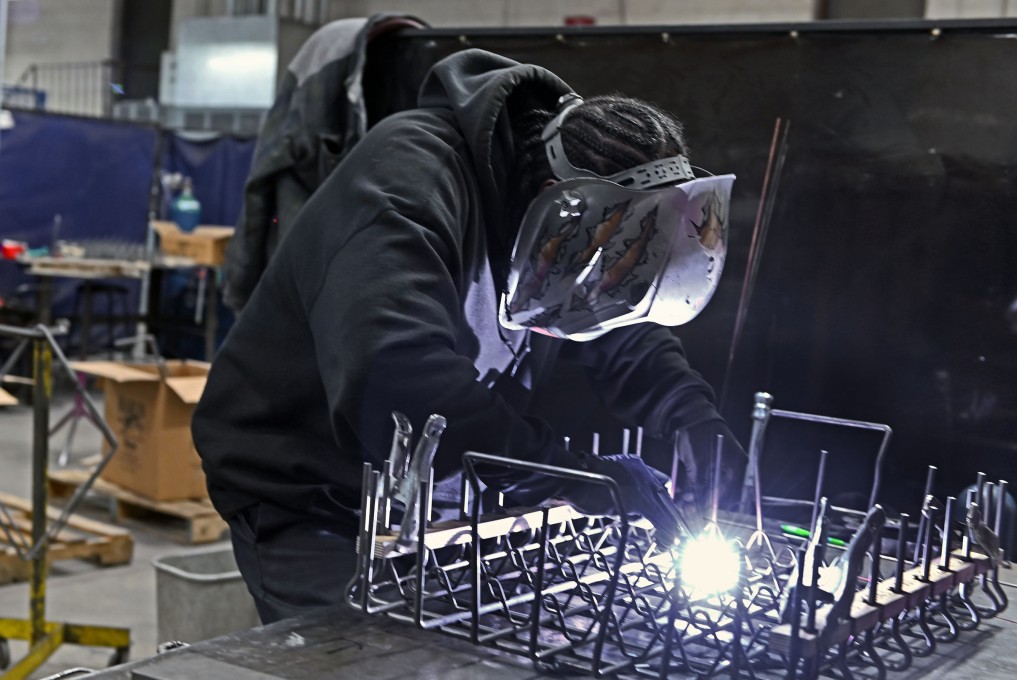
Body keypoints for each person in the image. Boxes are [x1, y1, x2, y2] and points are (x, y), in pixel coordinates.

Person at [192, 48, 745, 624]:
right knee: (360, 654)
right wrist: (574, 474)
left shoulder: (551, 213)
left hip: (435, 482)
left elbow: (611, 318)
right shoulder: (405, 181)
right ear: (552, 203)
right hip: (311, 485)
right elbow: (398, 382)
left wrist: (688, 413)